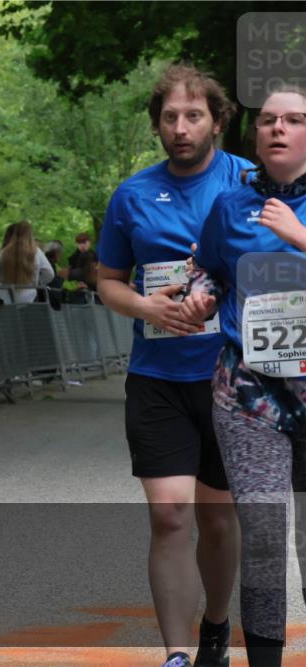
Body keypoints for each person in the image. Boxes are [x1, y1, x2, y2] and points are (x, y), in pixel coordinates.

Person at [96, 64, 252, 667]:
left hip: (230, 377)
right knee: (168, 515)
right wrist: (145, 308)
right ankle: (178, 654)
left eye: (194, 116)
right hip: (158, 378)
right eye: (169, 118)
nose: (181, 128)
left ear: (217, 120)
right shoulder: (133, 195)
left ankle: (215, 623)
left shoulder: (249, 182)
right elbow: (108, 280)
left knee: (217, 522)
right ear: (157, 125)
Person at [180, 85, 306, 666]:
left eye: (295, 120)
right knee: (261, 537)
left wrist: (298, 237)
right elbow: (207, 270)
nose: (278, 128)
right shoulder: (231, 205)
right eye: (268, 120)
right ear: (254, 134)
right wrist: (201, 298)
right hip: (249, 395)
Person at [0, 221, 54, 304]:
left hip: (5, 296)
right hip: (29, 296)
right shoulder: (36, 252)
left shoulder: (3, 252)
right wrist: (37, 282)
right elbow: (49, 274)